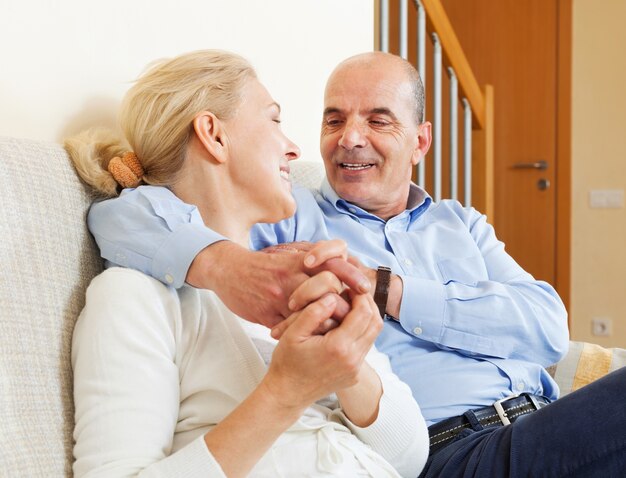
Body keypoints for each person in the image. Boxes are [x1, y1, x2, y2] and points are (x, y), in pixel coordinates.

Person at [86, 51, 626, 476]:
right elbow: (124, 212)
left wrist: (387, 288)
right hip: (456, 447)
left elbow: (548, 325)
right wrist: (228, 267)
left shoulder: (459, 224)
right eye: (334, 119)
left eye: (378, 120)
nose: (349, 139)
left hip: (541, 420)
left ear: (420, 141)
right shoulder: (297, 222)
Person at [66, 49, 429, 478]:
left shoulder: (300, 279)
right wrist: (286, 392)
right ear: (214, 135)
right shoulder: (135, 297)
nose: (295, 149)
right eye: (274, 120)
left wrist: (348, 361)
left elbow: (409, 456)